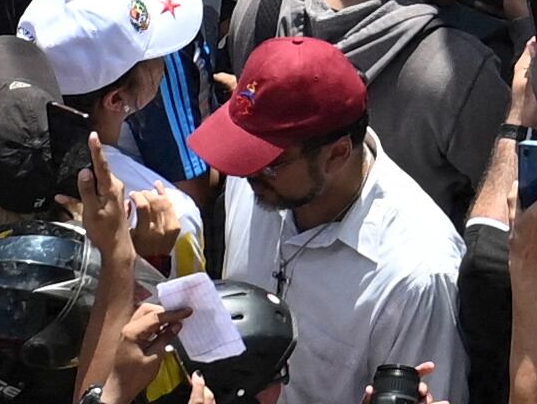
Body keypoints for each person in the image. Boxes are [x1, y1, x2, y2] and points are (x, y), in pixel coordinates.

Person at [198, 37, 468, 404]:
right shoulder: (259, 181)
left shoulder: (417, 275)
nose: (245, 171)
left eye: (269, 162)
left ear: (337, 154)